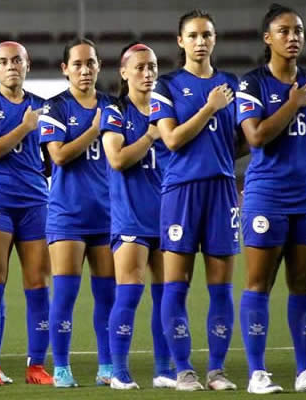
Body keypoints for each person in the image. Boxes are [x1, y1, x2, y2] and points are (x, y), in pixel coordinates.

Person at [236, 3, 306, 394]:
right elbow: (255, 136)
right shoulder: (253, 84)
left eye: (298, 31)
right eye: (284, 31)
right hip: (267, 197)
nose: (293, 37)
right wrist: (292, 104)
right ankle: (257, 373)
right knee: (259, 283)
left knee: (303, 285)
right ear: (267, 38)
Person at [149, 9, 241, 391]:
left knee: (221, 285)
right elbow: (170, 139)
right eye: (193, 35)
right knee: (177, 284)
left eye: (207, 35)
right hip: (181, 190)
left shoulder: (231, 84)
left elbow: (239, 141)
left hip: (222, 189)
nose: (201, 41)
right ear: (180, 41)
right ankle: (184, 369)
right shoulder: (167, 86)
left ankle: (217, 371)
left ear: (214, 40)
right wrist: (208, 108)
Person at [0, 41, 52, 387]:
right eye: (3, 61)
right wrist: (24, 128)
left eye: (17, 59)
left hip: (34, 201)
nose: (11, 65)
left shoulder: (43, 107)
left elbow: (51, 157)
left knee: (37, 284)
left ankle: (37, 366)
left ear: (27, 64)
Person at [38, 38, 115, 388]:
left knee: (107, 296)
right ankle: (63, 367)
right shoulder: (55, 108)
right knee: (65, 295)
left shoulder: (115, 106)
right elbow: (59, 156)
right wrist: (94, 130)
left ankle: (108, 365)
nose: (85, 70)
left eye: (91, 63)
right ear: (65, 69)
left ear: (99, 66)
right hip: (67, 215)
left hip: (108, 215)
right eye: (78, 64)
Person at [101, 42, 176, 390]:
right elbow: (117, 159)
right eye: (141, 67)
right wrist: (149, 134)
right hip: (130, 217)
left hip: (167, 215)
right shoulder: (115, 112)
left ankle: (164, 370)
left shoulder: (169, 111)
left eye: (153, 68)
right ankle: (119, 372)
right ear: (124, 72)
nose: (148, 74)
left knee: (166, 296)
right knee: (129, 293)